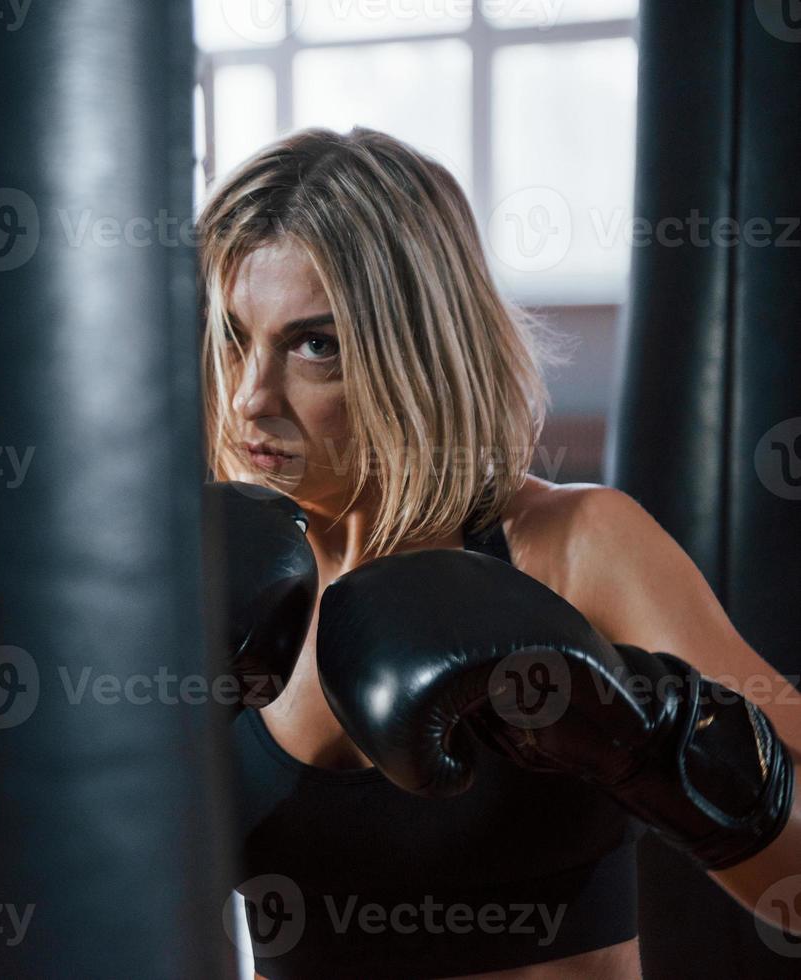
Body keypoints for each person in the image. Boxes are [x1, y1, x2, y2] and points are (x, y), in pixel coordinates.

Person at [199, 127, 801, 979]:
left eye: (314, 344)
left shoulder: (570, 546)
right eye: (232, 337)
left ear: (418, 348)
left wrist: (638, 733)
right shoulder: (216, 577)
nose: (252, 397)